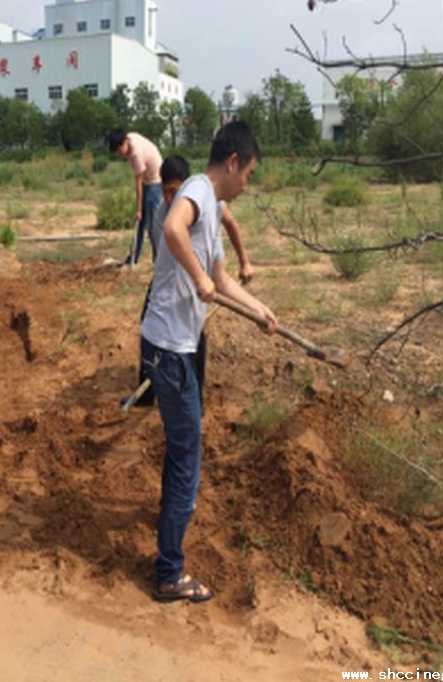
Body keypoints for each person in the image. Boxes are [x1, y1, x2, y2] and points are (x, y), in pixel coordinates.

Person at [141, 121, 278, 602]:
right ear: (234, 162)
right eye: (249, 174)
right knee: (187, 455)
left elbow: (221, 279)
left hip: (179, 345)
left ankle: (168, 545)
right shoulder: (197, 188)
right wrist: (196, 276)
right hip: (169, 348)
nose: (248, 184)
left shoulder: (215, 207)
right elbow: (171, 227)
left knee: (183, 450)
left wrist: (258, 310)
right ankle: (169, 572)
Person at [127, 154, 255, 407]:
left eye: (174, 191)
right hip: (172, 280)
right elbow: (166, 252)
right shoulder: (163, 213)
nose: (168, 198)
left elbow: (230, 225)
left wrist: (244, 261)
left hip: (200, 280)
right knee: (151, 329)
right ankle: (147, 393)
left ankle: (194, 396)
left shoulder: (210, 202)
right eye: (164, 191)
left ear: (186, 186)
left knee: (196, 336)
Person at [109, 127, 163, 265]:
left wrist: (139, 210)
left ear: (124, 143)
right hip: (147, 180)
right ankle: (133, 257)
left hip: (155, 182)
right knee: (139, 225)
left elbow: (138, 183)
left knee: (152, 226)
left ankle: (159, 260)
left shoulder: (136, 153)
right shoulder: (129, 139)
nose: (119, 155)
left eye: (119, 151)